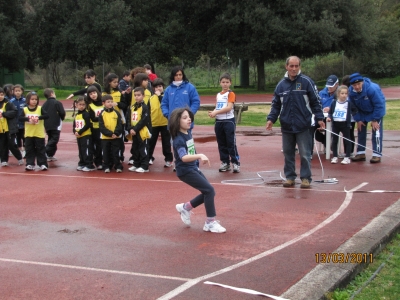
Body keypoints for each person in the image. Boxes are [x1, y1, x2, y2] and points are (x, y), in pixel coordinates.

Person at [266, 56, 325, 188]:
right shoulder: (281, 85)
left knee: (305, 154)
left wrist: (320, 118)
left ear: (299, 67)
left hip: (303, 125)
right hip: (286, 125)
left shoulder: (306, 82)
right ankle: (290, 177)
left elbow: (316, 101)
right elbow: (276, 105)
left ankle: (305, 178)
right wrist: (271, 119)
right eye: (291, 66)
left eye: (296, 66)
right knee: (288, 153)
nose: (294, 69)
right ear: (286, 67)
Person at [170, 107, 226, 233]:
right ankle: (210, 222)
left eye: (189, 116)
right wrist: (200, 156)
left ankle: (185, 207)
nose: (189, 119)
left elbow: (190, 150)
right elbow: (183, 157)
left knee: (208, 192)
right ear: (177, 121)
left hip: (192, 168)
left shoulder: (187, 132)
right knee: (209, 190)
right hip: (185, 171)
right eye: (184, 118)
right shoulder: (178, 139)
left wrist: (196, 161)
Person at [348, 73, 386, 163]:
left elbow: (379, 105)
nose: (356, 87)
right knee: (361, 130)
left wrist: (375, 119)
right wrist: (358, 119)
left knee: (376, 131)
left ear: (362, 82)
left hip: (375, 111)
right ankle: (361, 153)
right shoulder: (351, 92)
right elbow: (352, 107)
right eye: (354, 85)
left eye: (358, 84)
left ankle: (377, 154)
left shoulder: (372, 89)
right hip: (362, 112)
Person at [208, 73, 240, 173]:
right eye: (223, 82)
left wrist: (216, 112)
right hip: (219, 121)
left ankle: (235, 162)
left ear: (230, 83)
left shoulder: (231, 94)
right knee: (221, 143)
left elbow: (229, 107)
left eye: (227, 82)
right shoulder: (218, 95)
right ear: (220, 83)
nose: (225, 84)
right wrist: (213, 112)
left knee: (230, 143)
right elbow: (218, 106)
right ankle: (225, 162)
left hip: (228, 121)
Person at [326, 85, 357, 165]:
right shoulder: (334, 103)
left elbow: (355, 110)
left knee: (347, 140)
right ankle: (335, 156)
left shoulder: (349, 103)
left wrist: (350, 115)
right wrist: (329, 117)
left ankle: (347, 157)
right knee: (335, 140)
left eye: (346, 93)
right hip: (336, 124)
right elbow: (330, 112)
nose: (344, 95)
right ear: (338, 94)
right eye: (342, 93)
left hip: (345, 124)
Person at [19, 91, 49, 171]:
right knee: (29, 150)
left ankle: (42, 163)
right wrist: (28, 119)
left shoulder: (40, 108)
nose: (34, 101)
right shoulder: (25, 110)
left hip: (39, 133)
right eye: (32, 99)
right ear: (28, 100)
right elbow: (20, 118)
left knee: (40, 149)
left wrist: (38, 118)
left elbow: (47, 115)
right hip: (29, 134)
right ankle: (30, 164)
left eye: (36, 99)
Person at [102, 73, 128, 162]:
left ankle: (120, 157)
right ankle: (108, 158)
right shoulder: (103, 93)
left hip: (119, 120)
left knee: (119, 140)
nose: (116, 84)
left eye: (117, 82)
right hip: (107, 120)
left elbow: (125, 105)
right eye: (114, 82)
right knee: (107, 141)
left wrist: (118, 104)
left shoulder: (119, 92)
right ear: (109, 82)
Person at [147, 78, 173, 167]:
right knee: (151, 142)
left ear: (163, 87)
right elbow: (148, 110)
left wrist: (159, 96)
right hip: (154, 123)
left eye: (160, 86)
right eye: (156, 87)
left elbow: (165, 104)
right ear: (153, 88)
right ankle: (149, 157)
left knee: (166, 143)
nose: (158, 88)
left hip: (165, 123)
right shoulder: (151, 99)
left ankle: (168, 159)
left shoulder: (166, 96)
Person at [126, 87, 151, 173]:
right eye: (135, 95)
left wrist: (135, 129)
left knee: (143, 148)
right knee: (135, 148)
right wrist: (130, 128)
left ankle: (144, 166)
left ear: (143, 96)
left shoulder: (145, 107)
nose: (137, 97)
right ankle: (136, 164)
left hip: (142, 131)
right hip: (134, 132)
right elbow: (128, 119)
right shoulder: (132, 107)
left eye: (139, 95)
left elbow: (144, 120)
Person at [314, 75, 339, 152]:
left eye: (331, 86)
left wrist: (331, 109)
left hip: (334, 119)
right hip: (322, 117)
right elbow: (317, 104)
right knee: (314, 132)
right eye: (328, 86)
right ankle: (327, 143)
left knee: (334, 131)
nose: (329, 88)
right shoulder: (321, 93)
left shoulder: (341, 93)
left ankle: (331, 145)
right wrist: (322, 109)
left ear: (337, 84)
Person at [99, 94, 123, 173]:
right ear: (103, 103)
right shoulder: (102, 114)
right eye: (108, 102)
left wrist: (115, 133)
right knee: (106, 153)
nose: (110, 103)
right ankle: (106, 166)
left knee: (115, 152)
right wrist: (109, 134)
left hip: (116, 137)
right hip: (105, 138)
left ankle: (117, 166)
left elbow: (119, 124)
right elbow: (101, 127)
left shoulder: (116, 113)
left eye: (111, 101)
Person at [0, 87, 24, 166]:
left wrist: (4, 114)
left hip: (9, 128)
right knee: (2, 145)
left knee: (11, 144)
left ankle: (19, 158)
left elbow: (14, 112)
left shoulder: (9, 103)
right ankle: (4, 160)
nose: (0, 96)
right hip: (1, 129)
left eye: (2, 94)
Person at [42, 88, 66, 161]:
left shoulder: (44, 104)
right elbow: (62, 112)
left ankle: (50, 154)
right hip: (56, 124)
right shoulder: (57, 103)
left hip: (47, 124)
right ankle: (45, 151)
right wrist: (61, 118)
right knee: (54, 139)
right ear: (52, 93)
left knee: (50, 138)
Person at [73, 96, 95, 172]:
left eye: (83, 104)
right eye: (80, 104)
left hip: (86, 135)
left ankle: (89, 164)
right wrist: (75, 131)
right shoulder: (77, 115)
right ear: (76, 105)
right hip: (79, 136)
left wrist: (80, 132)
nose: (81, 106)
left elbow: (88, 124)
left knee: (87, 150)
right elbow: (74, 125)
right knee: (81, 150)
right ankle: (82, 163)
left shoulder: (86, 114)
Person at [87, 85, 104, 169]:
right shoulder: (90, 105)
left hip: (106, 127)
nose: (93, 95)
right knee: (98, 146)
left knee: (106, 145)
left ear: (97, 92)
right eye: (90, 94)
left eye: (94, 93)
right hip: (96, 129)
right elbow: (93, 118)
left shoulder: (104, 102)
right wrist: (102, 117)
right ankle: (98, 162)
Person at [10, 84, 27, 157]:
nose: (17, 92)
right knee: (18, 137)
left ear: (22, 91)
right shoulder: (11, 101)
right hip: (15, 123)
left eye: (19, 91)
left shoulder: (25, 100)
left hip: (24, 123)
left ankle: (25, 150)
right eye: (16, 91)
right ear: (13, 92)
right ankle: (20, 150)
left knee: (25, 137)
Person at [342, 75, 356, 157]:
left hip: (349, 118)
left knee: (348, 135)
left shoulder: (350, 94)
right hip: (348, 118)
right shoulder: (348, 93)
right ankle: (348, 152)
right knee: (349, 134)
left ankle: (349, 152)